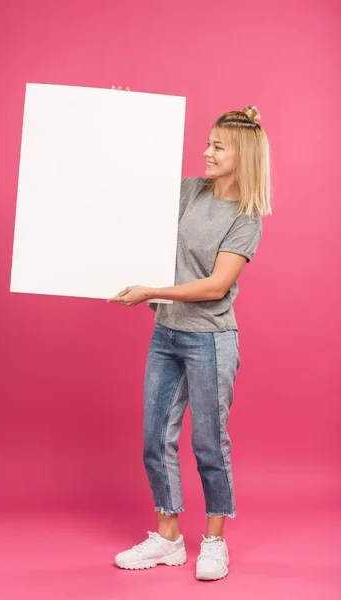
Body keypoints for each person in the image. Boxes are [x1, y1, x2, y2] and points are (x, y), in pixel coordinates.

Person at [107, 99, 272, 581]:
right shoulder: (189, 192)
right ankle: (168, 539)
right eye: (207, 142)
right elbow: (133, 182)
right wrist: (121, 115)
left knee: (209, 444)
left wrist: (150, 293)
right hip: (166, 333)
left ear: (242, 155)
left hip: (210, 341)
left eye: (218, 147)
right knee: (155, 439)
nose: (206, 152)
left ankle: (215, 541)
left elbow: (215, 287)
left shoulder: (247, 217)